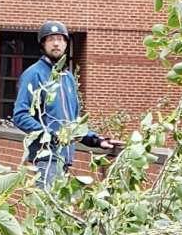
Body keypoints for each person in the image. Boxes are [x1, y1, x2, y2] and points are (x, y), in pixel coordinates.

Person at [11, 21, 109, 185]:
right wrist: (49, 134)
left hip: (65, 158)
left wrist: (95, 140)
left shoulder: (68, 78)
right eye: (50, 39)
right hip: (46, 158)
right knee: (46, 209)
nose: (56, 43)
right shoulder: (33, 74)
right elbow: (20, 116)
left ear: (65, 43)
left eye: (60, 39)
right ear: (43, 44)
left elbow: (73, 121)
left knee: (59, 208)